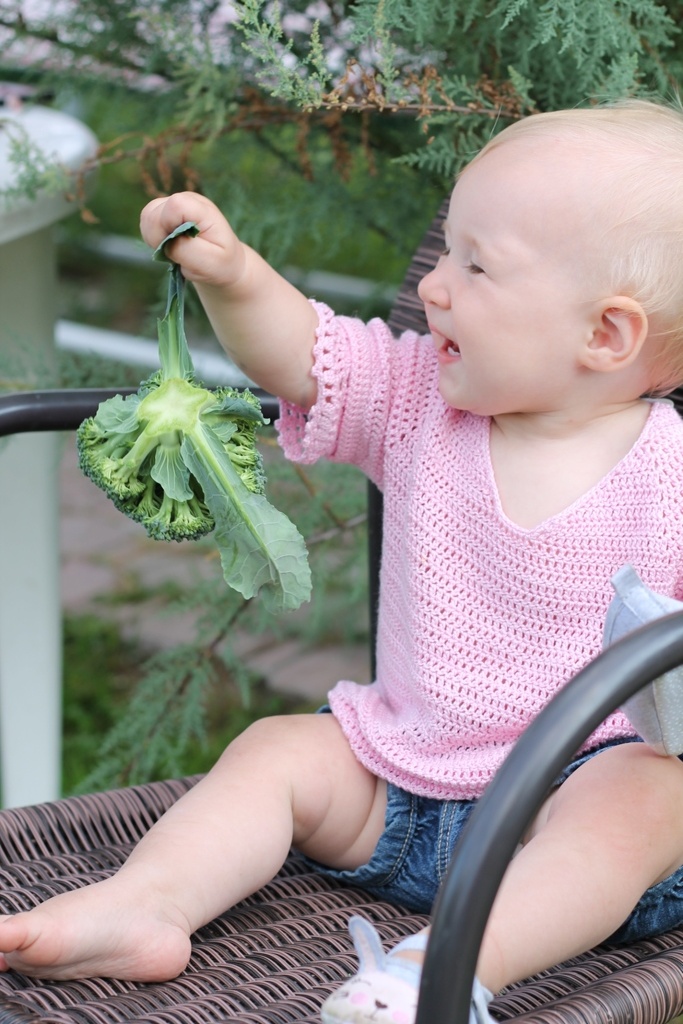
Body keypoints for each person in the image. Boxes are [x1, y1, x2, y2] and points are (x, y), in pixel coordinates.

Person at [4, 98, 683, 1024]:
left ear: (605, 336)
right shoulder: (417, 400)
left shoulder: (669, 476)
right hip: (397, 789)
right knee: (279, 752)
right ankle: (146, 905)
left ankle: (435, 973)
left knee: (647, 796)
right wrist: (234, 275)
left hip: (558, 816)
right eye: (447, 252)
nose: (436, 287)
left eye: (476, 267)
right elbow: (308, 359)